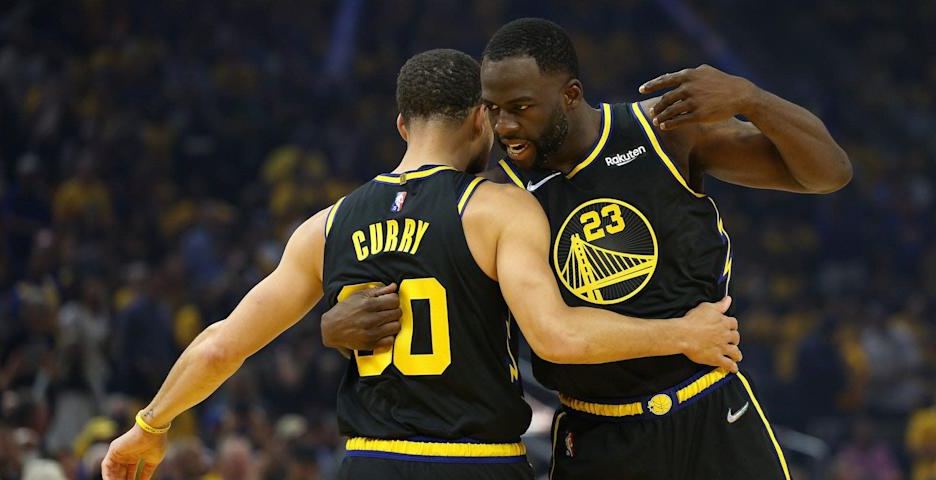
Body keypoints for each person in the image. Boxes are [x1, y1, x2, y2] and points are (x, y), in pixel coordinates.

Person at [100, 49, 741, 480]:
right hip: (477, 460)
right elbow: (560, 337)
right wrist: (684, 333)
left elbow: (219, 348)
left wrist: (149, 426)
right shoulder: (498, 211)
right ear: (480, 120)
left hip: (371, 461)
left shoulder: (326, 226)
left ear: (402, 126)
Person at [322, 18, 852, 480]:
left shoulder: (664, 132)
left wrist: (752, 99)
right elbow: (416, 264)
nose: (505, 126)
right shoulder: (493, 193)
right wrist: (331, 326)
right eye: (494, 110)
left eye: (521, 108)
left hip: (708, 408)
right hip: (595, 431)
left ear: (570, 95)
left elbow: (829, 174)